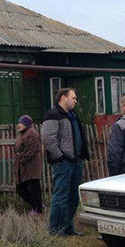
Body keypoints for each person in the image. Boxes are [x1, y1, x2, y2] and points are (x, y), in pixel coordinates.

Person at [41, 87, 89, 236]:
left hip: (75, 161)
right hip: (63, 162)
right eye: (73, 98)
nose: (75, 101)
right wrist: (60, 157)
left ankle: (67, 227)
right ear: (63, 98)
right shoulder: (53, 115)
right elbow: (48, 139)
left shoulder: (72, 116)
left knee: (74, 196)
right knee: (61, 195)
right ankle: (55, 229)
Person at [13, 115, 43, 216]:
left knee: (33, 188)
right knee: (20, 189)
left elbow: (30, 151)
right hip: (23, 166)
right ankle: (37, 205)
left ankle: (37, 209)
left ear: (26, 124)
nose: (19, 125)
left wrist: (21, 158)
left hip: (31, 166)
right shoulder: (23, 133)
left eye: (21, 123)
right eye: (19, 123)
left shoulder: (31, 134)